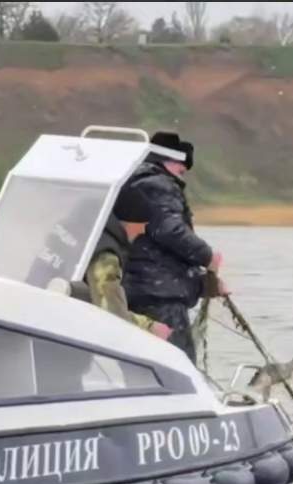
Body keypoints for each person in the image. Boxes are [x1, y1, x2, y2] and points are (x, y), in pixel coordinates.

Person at [117, 131, 226, 362]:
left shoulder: (130, 181)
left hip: (135, 291)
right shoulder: (158, 184)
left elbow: (158, 246)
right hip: (159, 296)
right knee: (178, 363)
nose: (181, 176)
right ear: (171, 161)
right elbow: (170, 230)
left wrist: (202, 282)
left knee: (141, 364)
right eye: (181, 169)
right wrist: (207, 257)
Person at [85, 212, 172, 341]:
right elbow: (112, 317)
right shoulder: (106, 256)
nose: (142, 232)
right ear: (128, 222)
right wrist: (150, 327)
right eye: (141, 225)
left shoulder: (82, 233)